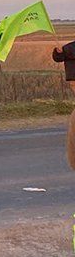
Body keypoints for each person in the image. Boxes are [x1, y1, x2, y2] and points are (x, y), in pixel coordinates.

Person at [54, 40, 75, 169]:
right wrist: (57, 52)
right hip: (72, 78)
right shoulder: (69, 47)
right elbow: (58, 58)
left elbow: (70, 51)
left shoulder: (69, 48)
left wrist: (64, 50)